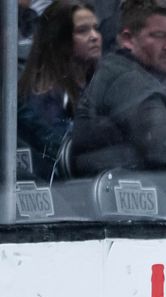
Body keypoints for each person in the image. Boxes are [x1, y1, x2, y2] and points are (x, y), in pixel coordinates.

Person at [71, 0, 166, 175]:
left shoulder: (131, 72)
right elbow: (163, 148)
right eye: (158, 36)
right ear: (128, 39)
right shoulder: (127, 80)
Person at [17, 0, 103, 180]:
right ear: (59, 39)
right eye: (82, 31)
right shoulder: (43, 96)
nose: (94, 36)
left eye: (96, 28)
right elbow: (58, 154)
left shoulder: (100, 84)